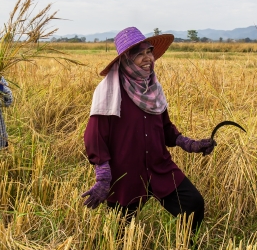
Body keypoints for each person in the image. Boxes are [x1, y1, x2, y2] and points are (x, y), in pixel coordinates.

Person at [81, 27, 216, 235]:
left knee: (193, 205)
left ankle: (185, 245)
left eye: (149, 52)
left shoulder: (153, 89)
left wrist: (192, 144)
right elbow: (94, 136)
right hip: (126, 172)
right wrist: (103, 175)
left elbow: (166, 129)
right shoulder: (108, 91)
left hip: (158, 166)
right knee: (121, 234)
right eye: (139, 54)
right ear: (126, 58)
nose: (148, 58)